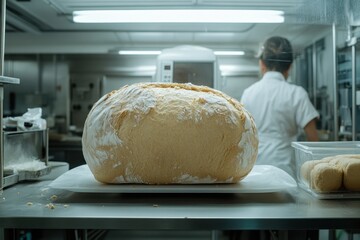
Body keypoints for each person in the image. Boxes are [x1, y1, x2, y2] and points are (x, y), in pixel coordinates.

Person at [240, 36, 319, 178]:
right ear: (290, 66)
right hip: (286, 171)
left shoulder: (248, 94)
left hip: (254, 170)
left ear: (262, 64)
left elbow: (242, 135)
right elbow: (313, 140)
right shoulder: (297, 94)